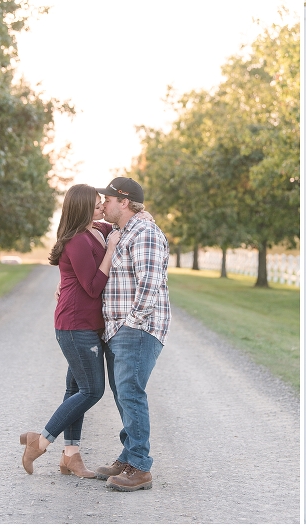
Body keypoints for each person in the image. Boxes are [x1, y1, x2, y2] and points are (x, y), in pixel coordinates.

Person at [20, 184, 121, 477]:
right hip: (76, 325)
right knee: (92, 390)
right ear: (83, 207)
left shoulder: (96, 229)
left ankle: (71, 456)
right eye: (97, 202)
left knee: (75, 388)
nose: (102, 205)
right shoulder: (77, 240)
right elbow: (91, 287)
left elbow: (117, 222)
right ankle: (40, 442)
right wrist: (111, 250)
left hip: (87, 324)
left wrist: (145, 217)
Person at [92, 177, 171, 492]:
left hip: (137, 329)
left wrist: (131, 323)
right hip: (121, 328)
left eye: (108, 199)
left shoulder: (146, 234)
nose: (103, 205)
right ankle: (128, 456)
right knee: (124, 393)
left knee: (131, 393)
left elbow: (149, 284)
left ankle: (139, 467)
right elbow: (88, 223)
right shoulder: (125, 230)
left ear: (123, 202)